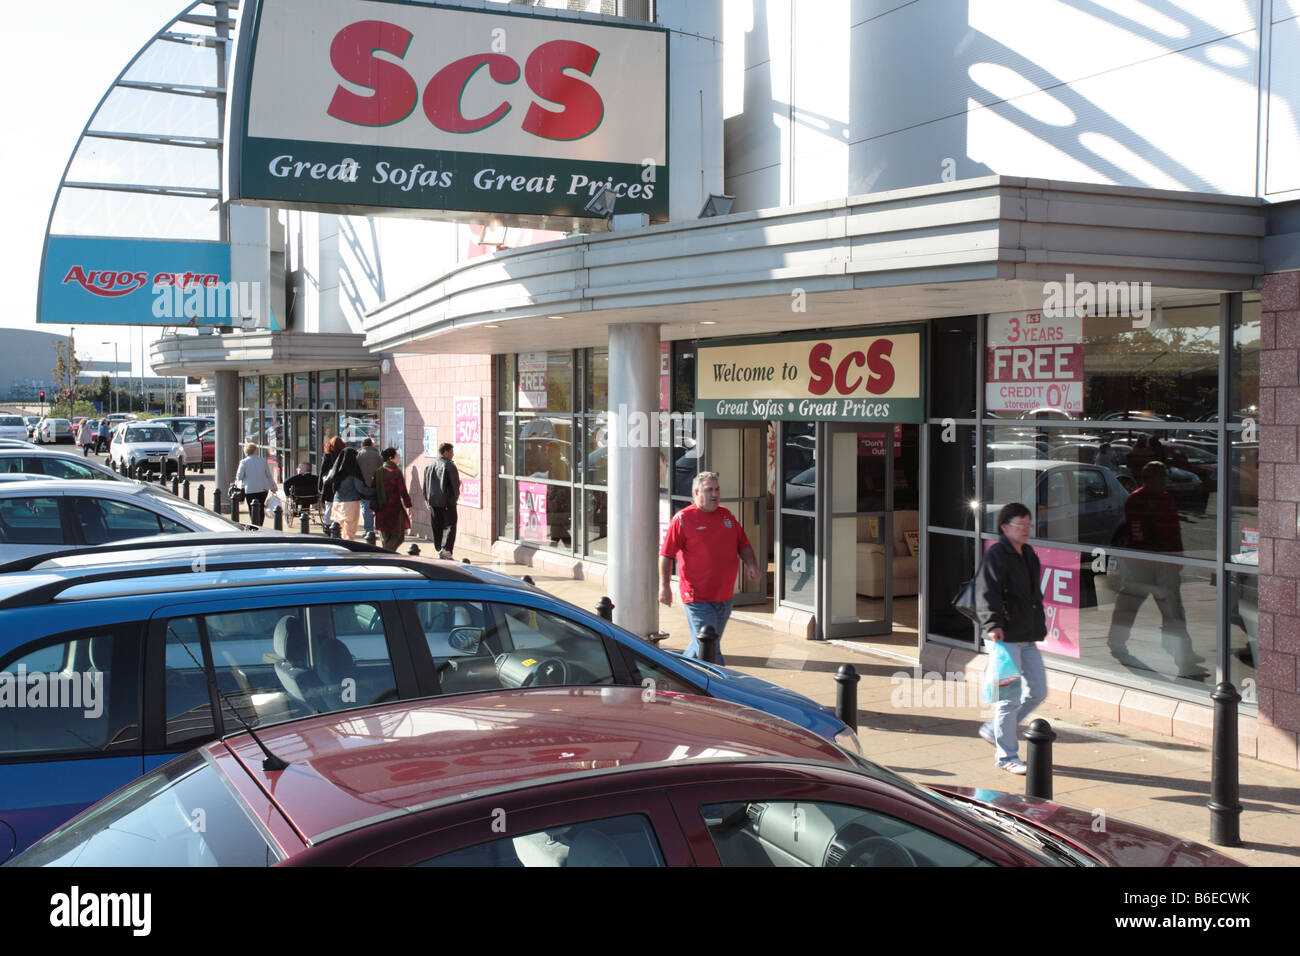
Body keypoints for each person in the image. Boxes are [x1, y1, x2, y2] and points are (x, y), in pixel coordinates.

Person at [1106, 461, 1207, 679]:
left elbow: (1174, 531)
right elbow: (1142, 534)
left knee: (1174, 611)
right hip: (1143, 564)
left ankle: (1184, 655)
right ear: (1148, 479)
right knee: (1128, 604)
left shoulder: (1166, 498)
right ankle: (1116, 641)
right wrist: (1161, 556)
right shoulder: (1136, 500)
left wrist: (1177, 557)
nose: (1164, 482)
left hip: (1166, 564)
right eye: (1160, 478)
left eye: (1164, 477)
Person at [974, 502, 1048, 775]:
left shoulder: (1028, 553)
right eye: (1021, 525)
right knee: (1008, 698)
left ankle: (994, 729)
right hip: (1004, 637)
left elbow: (1032, 596)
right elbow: (986, 592)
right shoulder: (997, 555)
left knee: (1038, 690)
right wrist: (993, 624)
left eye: (1029, 525)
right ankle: (1006, 757)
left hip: (1027, 635)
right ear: (1005, 528)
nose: (1027, 530)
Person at [658, 471, 760, 664]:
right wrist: (664, 586)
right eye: (709, 490)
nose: (714, 494)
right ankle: (720, 686)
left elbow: (743, 544)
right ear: (696, 493)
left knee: (703, 645)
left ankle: (679, 672)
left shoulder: (726, 515)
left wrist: (752, 565)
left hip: (724, 597)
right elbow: (666, 554)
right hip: (697, 598)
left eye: (717, 489)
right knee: (711, 648)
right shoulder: (682, 519)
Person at [422, 442, 460, 559]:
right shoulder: (449, 466)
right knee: (450, 525)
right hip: (447, 502)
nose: (453, 455)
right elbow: (455, 485)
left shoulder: (429, 465)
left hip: (433, 502)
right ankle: (446, 549)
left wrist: (427, 500)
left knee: (437, 526)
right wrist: (455, 497)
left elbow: (425, 485)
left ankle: (439, 548)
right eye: (452, 452)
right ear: (446, 452)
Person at [328, 447, 374, 540]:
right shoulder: (353, 472)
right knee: (349, 534)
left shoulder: (336, 471)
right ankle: (347, 553)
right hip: (350, 505)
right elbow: (361, 489)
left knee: (339, 533)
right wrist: (376, 491)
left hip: (337, 504)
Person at [373, 447, 413, 551]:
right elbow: (403, 491)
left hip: (380, 509)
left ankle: (386, 556)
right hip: (394, 508)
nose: (398, 458)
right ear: (391, 458)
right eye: (397, 456)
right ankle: (384, 554)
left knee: (385, 537)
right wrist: (409, 505)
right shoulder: (396, 472)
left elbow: (373, 490)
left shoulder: (378, 472)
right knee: (398, 536)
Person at [234, 441, 278, 527]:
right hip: (263, 489)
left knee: (252, 508)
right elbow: (269, 475)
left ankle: (254, 525)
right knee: (261, 507)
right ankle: (260, 525)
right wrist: (273, 487)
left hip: (249, 489)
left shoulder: (243, 462)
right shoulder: (263, 461)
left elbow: (239, 476)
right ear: (255, 451)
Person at [357, 437, 382, 539]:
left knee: (365, 508)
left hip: (363, 486)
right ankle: (377, 529)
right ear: (371, 445)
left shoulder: (359, 455)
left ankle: (369, 530)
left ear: (362, 445)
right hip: (376, 485)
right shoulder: (377, 455)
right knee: (376, 507)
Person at [319, 435, 345, 523]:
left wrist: (320, 486)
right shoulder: (344, 456)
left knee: (329, 506)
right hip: (341, 484)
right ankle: (337, 525)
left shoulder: (327, 456)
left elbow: (322, 471)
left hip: (329, 484)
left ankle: (328, 525)